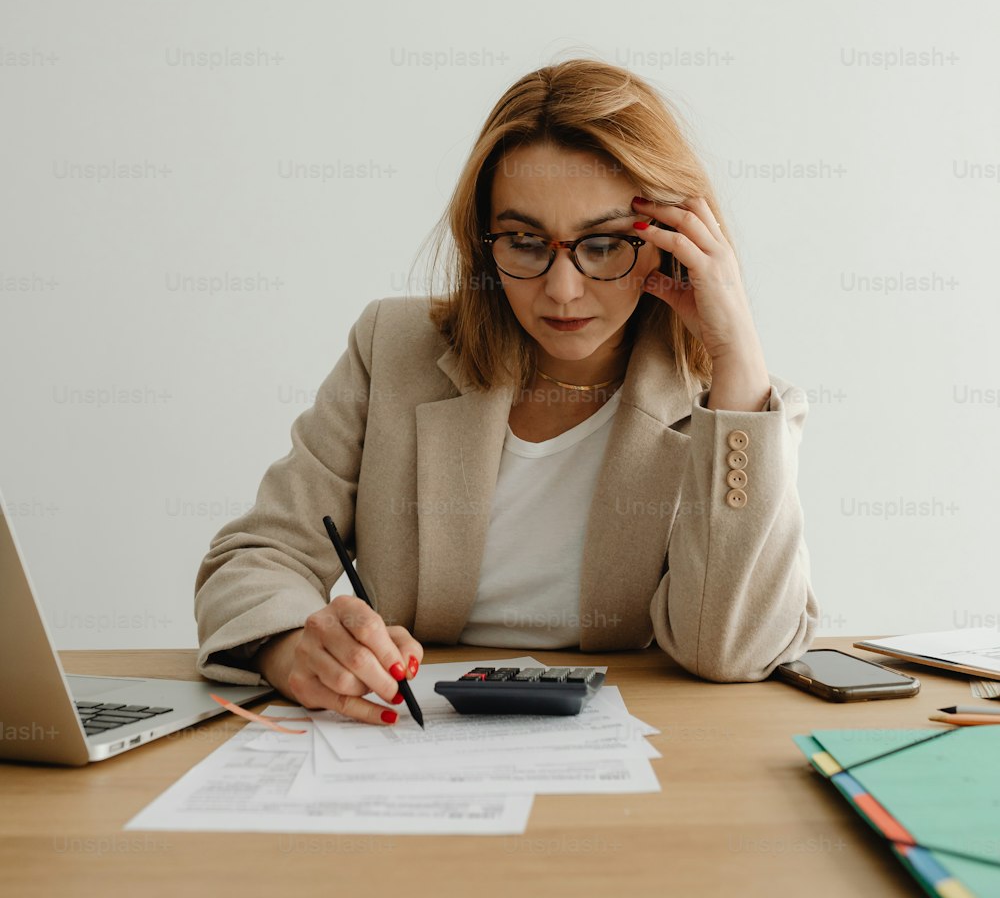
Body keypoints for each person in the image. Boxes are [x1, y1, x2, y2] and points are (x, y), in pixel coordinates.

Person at [194, 59, 819, 725]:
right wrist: (294, 648)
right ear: (481, 241)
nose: (562, 289)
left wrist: (736, 353)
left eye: (603, 245)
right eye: (524, 242)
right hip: (413, 746)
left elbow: (731, 648)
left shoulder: (732, 407)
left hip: (639, 759)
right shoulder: (395, 349)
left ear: (674, 245)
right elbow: (253, 559)